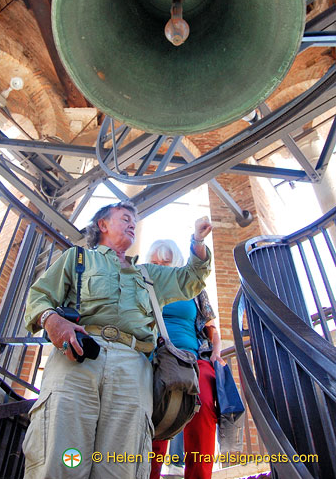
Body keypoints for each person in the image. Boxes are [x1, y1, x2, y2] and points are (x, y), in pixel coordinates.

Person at [22, 201, 213, 479]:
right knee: (60, 456)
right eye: (125, 218)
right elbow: (39, 297)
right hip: (78, 358)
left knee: (121, 464)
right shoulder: (77, 259)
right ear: (103, 225)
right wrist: (52, 320)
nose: (132, 224)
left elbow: (192, 278)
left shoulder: (149, 274)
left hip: (133, 366)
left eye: (134, 221)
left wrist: (197, 240)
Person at [147, 239, 223, 479]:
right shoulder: (143, 286)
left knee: (204, 407)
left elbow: (211, 328)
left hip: (193, 359)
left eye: (166, 262)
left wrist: (217, 353)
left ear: (177, 262)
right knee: (153, 413)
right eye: (155, 262)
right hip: (153, 359)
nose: (160, 266)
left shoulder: (194, 287)